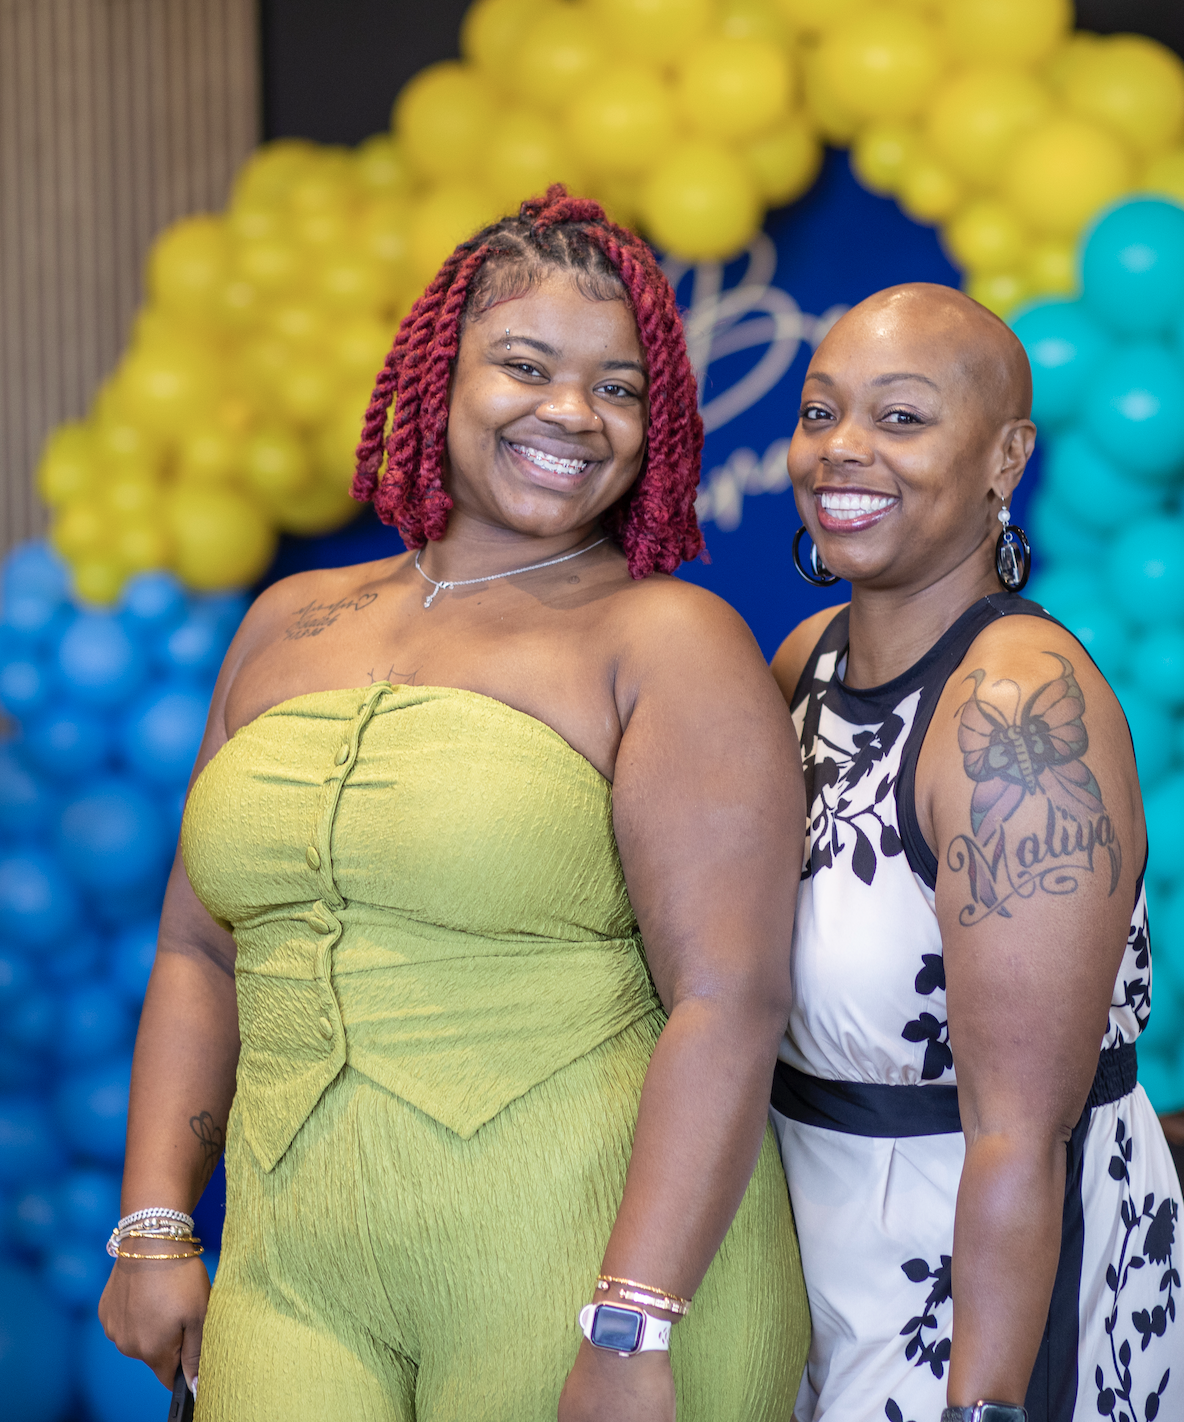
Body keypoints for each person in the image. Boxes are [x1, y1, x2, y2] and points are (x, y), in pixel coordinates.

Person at [99, 187, 810, 1420]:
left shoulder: (668, 639)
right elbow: (194, 949)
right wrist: (154, 1225)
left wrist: (632, 1323)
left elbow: (728, 999)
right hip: (295, 1268)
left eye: (619, 388)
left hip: (584, 1268)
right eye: (525, 365)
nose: (571, 416)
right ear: (441, 377)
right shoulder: (284, 624)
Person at [767, 285, 1184, 1422]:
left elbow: (1018, 1133)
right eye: (820, 413)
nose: (843, 450)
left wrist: (986, 1406)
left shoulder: (1017, 708)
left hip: (989, 1283)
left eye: (901, 419)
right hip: (812, 1252)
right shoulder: (802, 665)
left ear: (1006, 460)